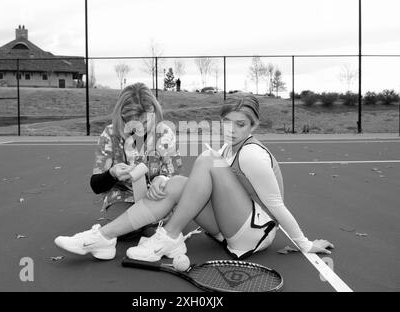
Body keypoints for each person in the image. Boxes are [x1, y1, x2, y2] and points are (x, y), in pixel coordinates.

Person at [125, 95, 335, 262]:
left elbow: (276, 205)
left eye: (240, 124)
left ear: (253, 126)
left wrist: (305, 244)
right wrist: (163, 178)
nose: (231, 130)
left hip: (256, 232)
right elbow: (202, 187)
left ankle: (169, 236)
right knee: (180, 183)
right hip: (234, 224)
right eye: (227, 123)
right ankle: (165, 237)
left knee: (208, 159)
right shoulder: (228, 147)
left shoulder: (251, 154)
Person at [54, 83, 182, 260]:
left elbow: (174, 176)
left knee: (166, 205)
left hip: (156, 197)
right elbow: (96, 185)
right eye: (133, 123)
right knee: (126, 225)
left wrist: (161, 179)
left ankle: (141, 229)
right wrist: (112, 173)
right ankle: (149, 229)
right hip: (123, 197)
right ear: (122, 117)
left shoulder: (164, 133)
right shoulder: (110, 135)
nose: (141, 128)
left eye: (146, 121)